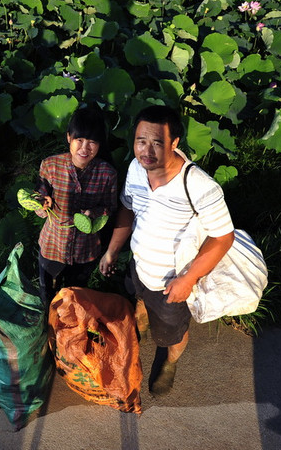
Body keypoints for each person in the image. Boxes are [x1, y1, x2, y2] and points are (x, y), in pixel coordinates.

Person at [99, 105, 235, 395]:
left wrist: (187, 280)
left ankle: (170, 362)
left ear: (174, 143)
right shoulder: (137, 168)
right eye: (140, 141)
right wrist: (112, 251)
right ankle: (143, 319)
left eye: (157, 143)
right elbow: (127, 208)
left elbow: (223, 237)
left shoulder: (198, 185)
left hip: (171, 282)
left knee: (172, 333)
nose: (146, 151)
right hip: (139, 265)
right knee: (136, 296)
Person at [34, 106, 118, 305]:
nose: (84, 148)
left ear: (99, 145)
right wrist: (42, 204)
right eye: (79, 140)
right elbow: (39, 201)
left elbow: (110, 207)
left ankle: (70, 329)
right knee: (47, 292)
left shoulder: (107, 173)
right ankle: (49, 323)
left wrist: (95, 213)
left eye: (92, 142)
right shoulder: (50, 165)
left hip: (86, 250)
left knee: (76, 296)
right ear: (69, 138)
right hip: (52, 245)